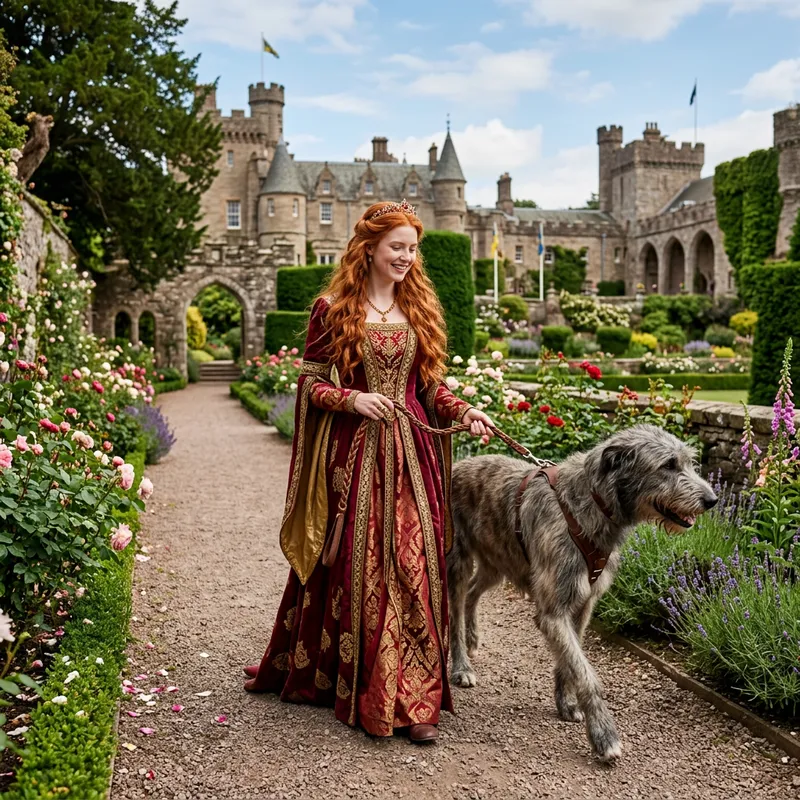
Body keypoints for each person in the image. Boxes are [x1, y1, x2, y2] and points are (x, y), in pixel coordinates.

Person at [243, 199, 493, 744]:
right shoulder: (333, 308)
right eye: (396, 246)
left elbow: (429, 388)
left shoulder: (418, 306)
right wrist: (352, 399)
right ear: (370, 248)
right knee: (360, 564)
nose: (406, 257)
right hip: (355, 457)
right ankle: (367, 683)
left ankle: (415, 697)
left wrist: (465, 411)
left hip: (412, 458)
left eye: (413, 248)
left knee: (414, 563)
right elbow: (310, 384)